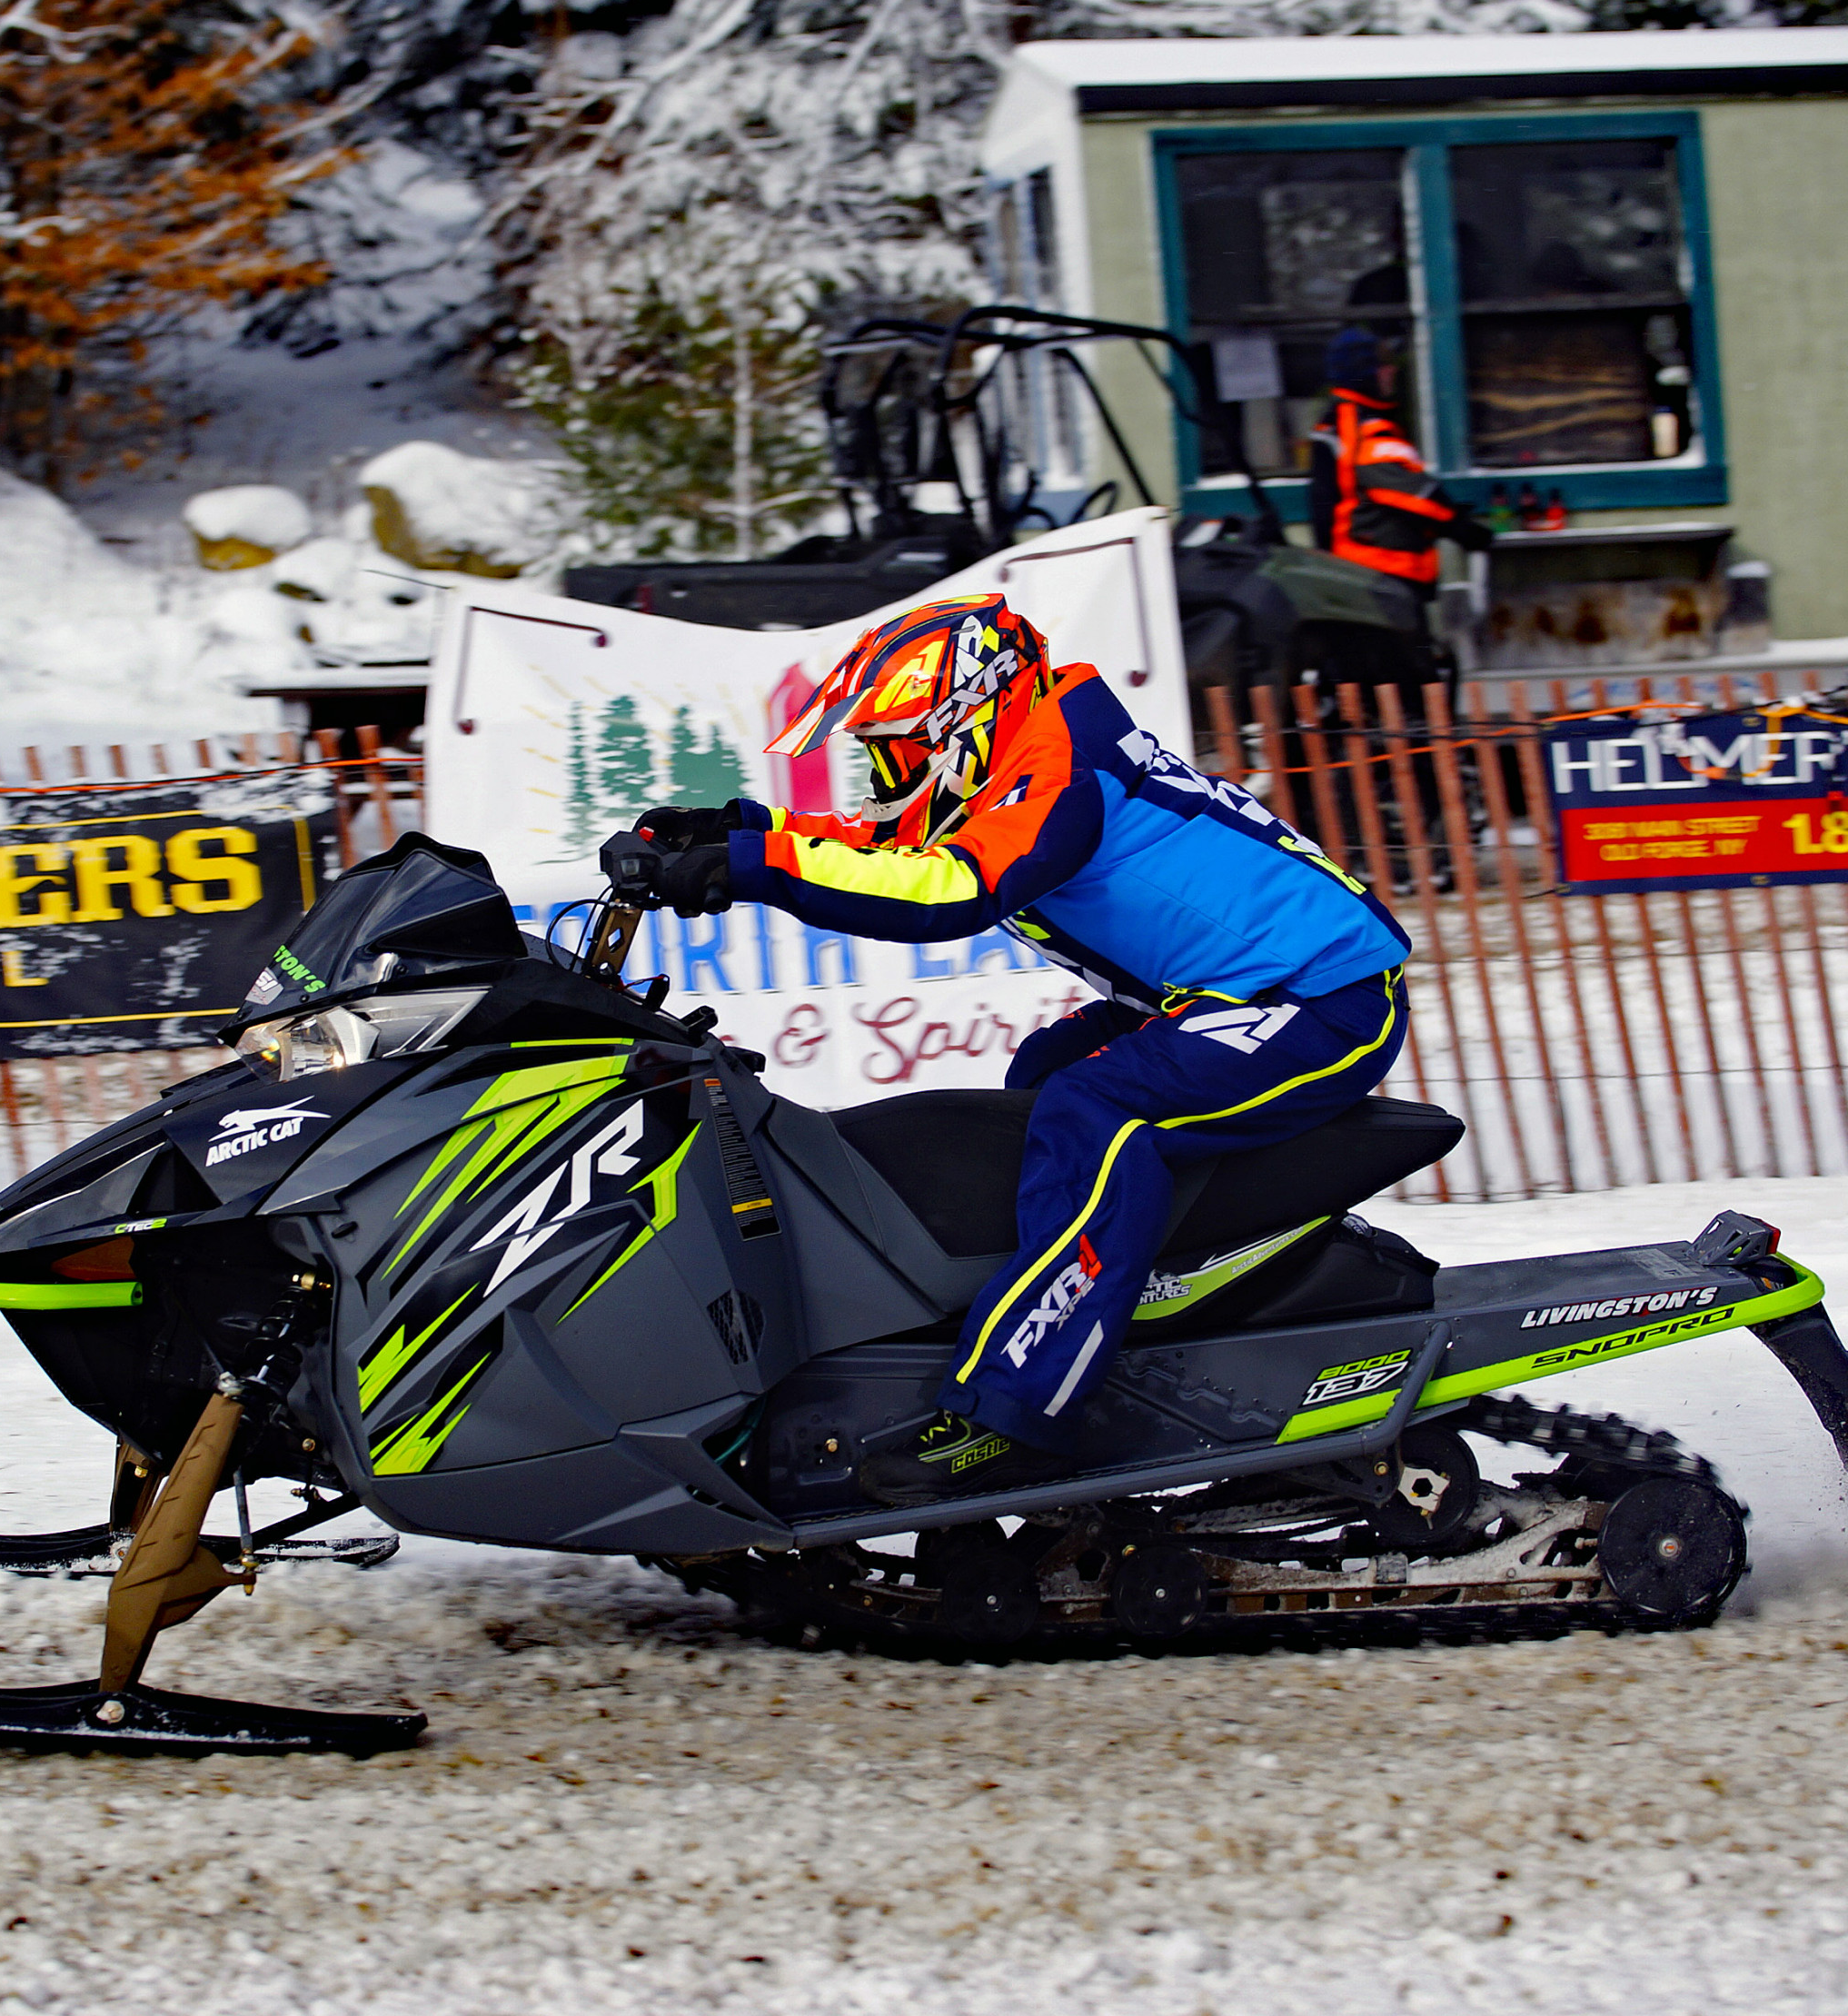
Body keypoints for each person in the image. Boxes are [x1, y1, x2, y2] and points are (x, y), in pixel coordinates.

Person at [629, 594, 1412, 1505]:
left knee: (1096, 1113)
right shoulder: (1024, 752)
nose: (887, 770)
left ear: (967, 719)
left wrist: (752, 870)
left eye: (898, 747)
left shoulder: (1061, 774)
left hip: (1318, 995)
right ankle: (1133, 1305)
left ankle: (1022, 1405)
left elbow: (944, 887)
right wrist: (741, 833)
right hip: (1220, 993)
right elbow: (888, 841)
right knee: (1040, 1077)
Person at [1310, 326, 1490, 605]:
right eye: (1383, 364)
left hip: (1357, 572)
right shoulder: (1365, 427)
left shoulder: (1335, 421)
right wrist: (1457, 525)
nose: (1392, 370)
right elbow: (1406, 493)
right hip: (1382, 575)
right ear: (1364, 373)